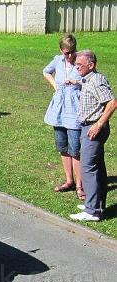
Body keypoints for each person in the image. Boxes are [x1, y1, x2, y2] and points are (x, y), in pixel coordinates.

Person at [69, 50, 117, 222]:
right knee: (97, 168)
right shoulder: (88, 78)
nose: (76, 67)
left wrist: (98, 124)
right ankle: (97, 204)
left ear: (91, 65)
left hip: (93, 128)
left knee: (87, 168)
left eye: (80, 65)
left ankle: (92, 211)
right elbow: (86, 85)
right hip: (88, 127)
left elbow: (112, 102)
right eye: (76, 65)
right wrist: (75, 81)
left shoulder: (96, 80)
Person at [43, 34, 83, 199]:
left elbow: (90, 80)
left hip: (74, 111)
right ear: (61, 50)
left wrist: (77, 83)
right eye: (66, 52)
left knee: (76, 150)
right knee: (63, 148)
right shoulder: (58, 61)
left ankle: (80, 186)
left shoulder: (81, 62)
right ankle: (69, 181)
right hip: (59, 110)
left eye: (72, 52)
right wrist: (55, 86)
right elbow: (46, 71)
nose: (70, 56)